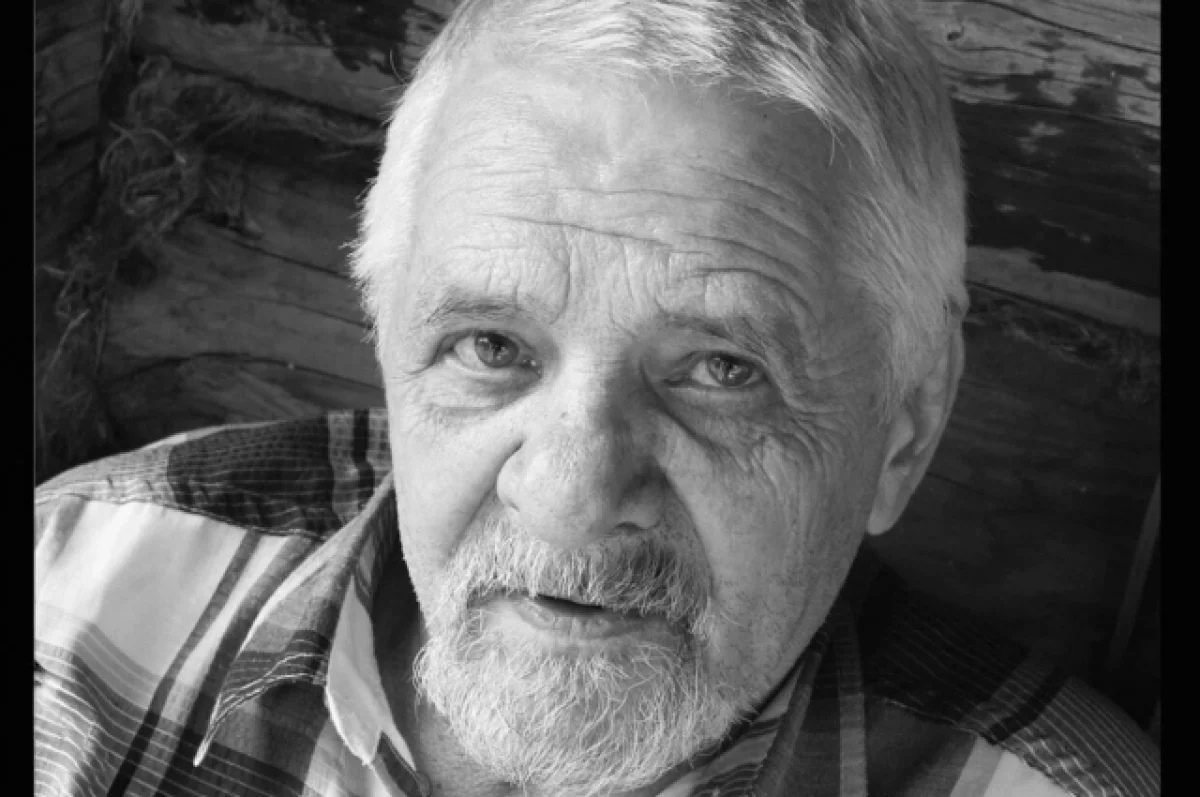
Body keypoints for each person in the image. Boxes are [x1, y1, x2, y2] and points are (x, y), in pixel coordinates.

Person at [34, 1, 1160, 795]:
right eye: (491, 346)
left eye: (720, 369)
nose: (571, 492)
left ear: (906, 427)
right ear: (387, 338)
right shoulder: (71, 603)